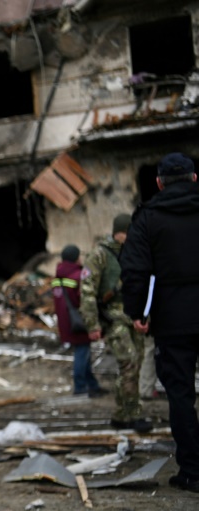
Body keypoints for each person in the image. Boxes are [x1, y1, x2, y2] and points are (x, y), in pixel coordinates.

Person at [120, 152, 199, 493]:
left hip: (173, 321)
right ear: (195, 179)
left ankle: (193, 472)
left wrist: (138, 312)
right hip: (175, 318)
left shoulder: (147, 218)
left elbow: (135, 271)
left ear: (159, 183)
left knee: (180, 396)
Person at [79, 213, 152, 433]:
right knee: (129, 363)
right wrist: (92, 325)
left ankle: (122, 414)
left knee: (135, 366)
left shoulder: (134, 252)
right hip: (113, 320)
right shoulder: (100, 255)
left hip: (133, 318)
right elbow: (87, 291)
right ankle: (133, 413)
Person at [52, 244, 106, 397]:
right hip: (79, 321)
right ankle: (80, 387)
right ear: (76, 258)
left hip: (66, 321)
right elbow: (85, 301)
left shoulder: (58, 276)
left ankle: (92, 385)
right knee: (82, 353)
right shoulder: (78, 276)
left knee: (83, 352)